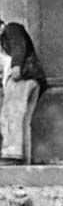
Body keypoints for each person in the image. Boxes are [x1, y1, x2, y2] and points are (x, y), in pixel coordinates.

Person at [0, 19, 47, 164]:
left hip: (22, 78)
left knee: (11, 113)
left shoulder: (11, 28)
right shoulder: (3, 41)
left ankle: (11, 155)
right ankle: (24, 159)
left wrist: (16, 66)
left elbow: (18, 45)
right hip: (31, 79)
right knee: (23, 119)